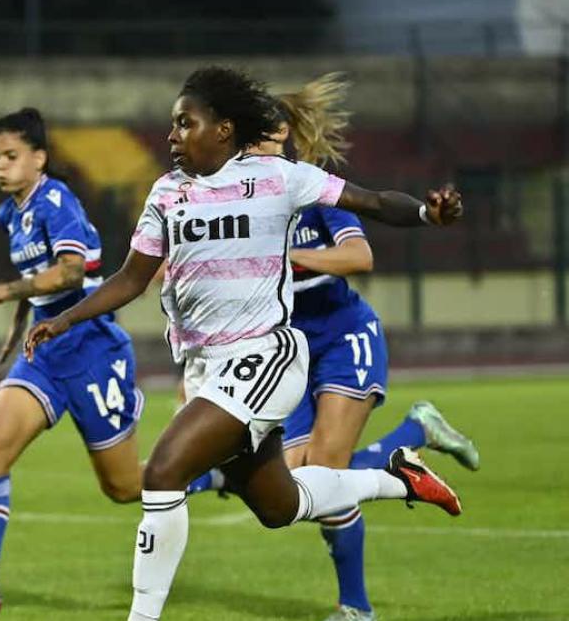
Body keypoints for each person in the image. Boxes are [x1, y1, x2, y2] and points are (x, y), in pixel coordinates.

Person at [23, 67, 465, 621]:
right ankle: (397, 476)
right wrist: (63, 320)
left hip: (267, 355)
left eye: (186, 123)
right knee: (280, 506)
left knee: (162, 473)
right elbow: (130, 279)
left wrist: (427, 213)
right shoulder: (167, 193)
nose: (172, 135)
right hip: (208, 368)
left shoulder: (280, 178)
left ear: (224, 128)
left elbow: (372, 202)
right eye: (172, 125)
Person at [183, 74, 481, 621]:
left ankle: (356, 608)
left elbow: (358, 256)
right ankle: (415, 434)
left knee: (327, 465)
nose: (262, 151)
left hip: (344, 336)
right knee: (298, 484)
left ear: (281, 138)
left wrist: (294, 259)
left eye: (268, 140)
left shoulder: (309, 186)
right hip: (287, 350)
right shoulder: (239, 197)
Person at [0, 108, 145, 617]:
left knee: (124, 487)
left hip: (91, 348)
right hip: (44, 353)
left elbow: (70, 273)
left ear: (39, 158)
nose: (0, 166)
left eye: (10, 156)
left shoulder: (56, 201)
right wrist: (20, 321)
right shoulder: (13, 212)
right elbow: (42, 273)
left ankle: (221, 474)